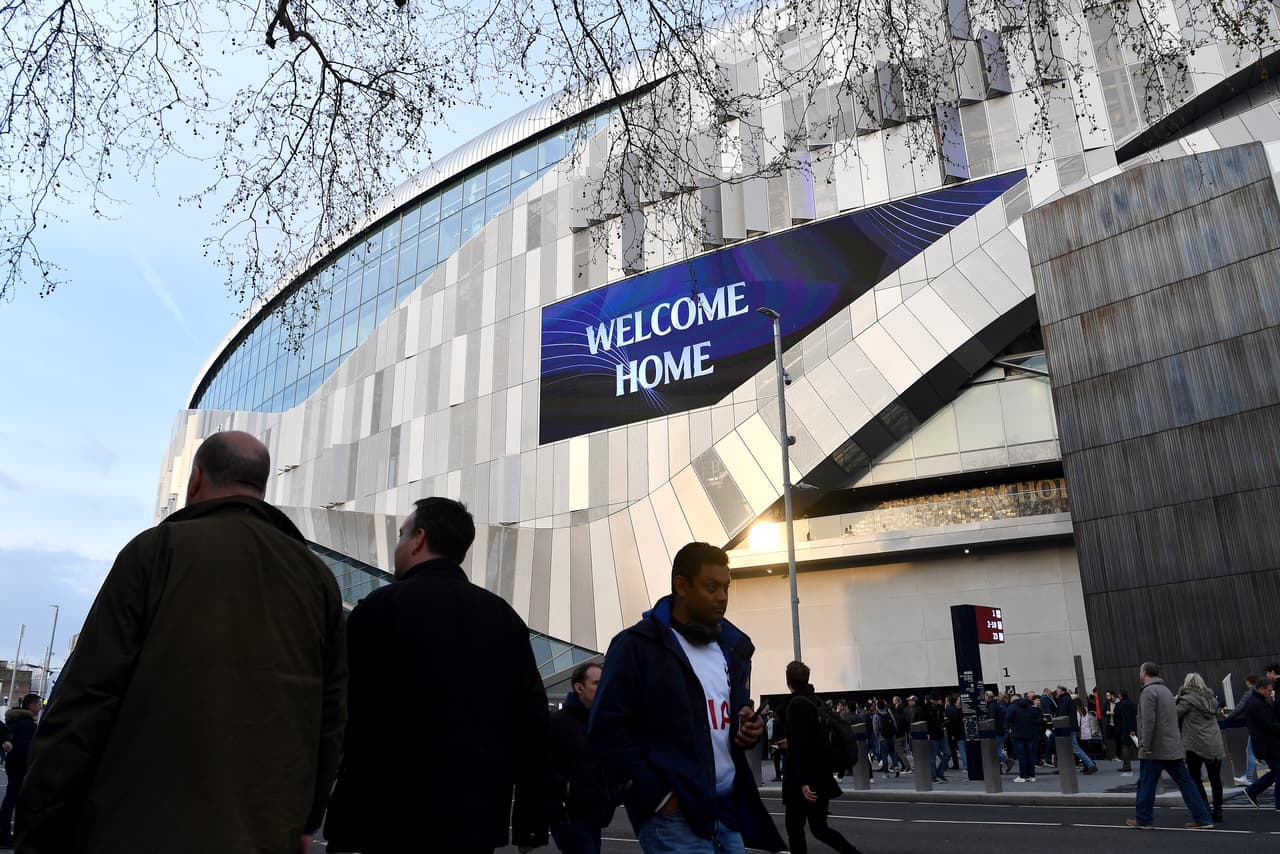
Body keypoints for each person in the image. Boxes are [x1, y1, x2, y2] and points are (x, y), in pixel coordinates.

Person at [15, 431, 347, 853]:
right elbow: (331, 716)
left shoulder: (155, 552)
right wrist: (307, 820)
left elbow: (86, 699)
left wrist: (40, 822)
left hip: (136, 827)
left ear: (195, 480)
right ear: (261, 489)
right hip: (264, 831)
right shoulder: (316, 578)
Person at [324, 497, 550, 853]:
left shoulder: (380, 610)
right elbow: (533, 726)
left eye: (402, 535)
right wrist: (530, 820)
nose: (398, 544)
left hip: (386, 815)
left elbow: (340, 710)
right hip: (473, 819)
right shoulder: (502, 618)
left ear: (418, 539)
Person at [589, 541, 783, 853]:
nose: (722, 597)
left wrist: (746, 729)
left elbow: (720, 724)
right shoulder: (637, 646)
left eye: (726, 588)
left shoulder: (729, 649)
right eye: (711, 587)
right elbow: (606, 730)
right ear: (682, 585)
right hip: (674, 818)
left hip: (726, 812)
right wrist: (659, 797)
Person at [780, 662, 862, 854]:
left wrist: (803, 782)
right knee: (819, 829)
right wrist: (790, 742)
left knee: (795, 828)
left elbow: (802, 746)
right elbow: (811, 739)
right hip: (820, 774)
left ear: (788, 682)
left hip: (803, 778)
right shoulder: (815, 701)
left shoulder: (796, 705)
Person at [1125, 661, 1215, 830]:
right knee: (1186, 783)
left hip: (1154, 749)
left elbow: (1148, 721)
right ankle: (1203, 818)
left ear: (1144, 674)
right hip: (1173, 747)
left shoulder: (1148, 691)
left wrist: (1145, 744)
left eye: (1140, 672)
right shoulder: (1166, 690)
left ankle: (1143, 819)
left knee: (1145, 784)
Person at [548, 661, 615, 854]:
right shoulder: (558, 723)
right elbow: (543, 768)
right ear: (579, 687)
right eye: (597, 683)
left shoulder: (600, 722)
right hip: (570, 817)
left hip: (596, 815)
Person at [1175, 672, 1226, 823]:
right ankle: (1218, 810)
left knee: (1194, 777)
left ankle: (1204, 806)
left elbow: (1173, 716)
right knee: (1215, 778)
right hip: (1214, 742)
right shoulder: (1211, 700)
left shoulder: (1186, 701)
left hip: (1194, 744)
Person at [0, 694, 41, 846]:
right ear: (31, 706)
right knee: (15, 800)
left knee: (11, 799)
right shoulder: (28, 725)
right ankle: (7, 834)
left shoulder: (15, 721)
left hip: (12, 765)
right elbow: (26, 748)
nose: (40, 707)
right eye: (38, 705)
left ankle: (5, 832)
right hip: (21, 767)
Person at [1241, 676, 1280, 810]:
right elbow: (1267, 725)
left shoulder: (1259, 701)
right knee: (1278, 771)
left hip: (1267, 744)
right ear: (1261, 689)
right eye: (1269, 690)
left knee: (1276, 771)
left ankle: (1253, 790)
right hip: (1268, 744)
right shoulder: (1256, 704)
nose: (1271, 693)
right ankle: (1277, 802)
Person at [1227, 674, 1259, 784]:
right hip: (1265, 725)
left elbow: (1240, 708)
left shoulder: (1249, 693)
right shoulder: (1263, 692)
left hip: (1256, 726)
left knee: (1250, 751)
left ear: (1249, 682)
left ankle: (1249, 777)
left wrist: (1228, 716)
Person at [1006, 692, 1041, 783]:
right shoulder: (1030, 706)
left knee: (1021, 755)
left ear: (1013, 700)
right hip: (1030, 733)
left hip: (1018, 734)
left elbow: (1008, 718)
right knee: (1030, 755)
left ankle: (1023, 776)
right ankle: (1031, 775)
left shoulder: (1012, 707)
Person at [1115, 689, 1138, 774]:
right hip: (1131, 728)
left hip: (1127, 729)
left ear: (1121, 695)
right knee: (1136, 745)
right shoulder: (1130, 702)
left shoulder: (1124, 704)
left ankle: (1127, 765)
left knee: (1126, 746)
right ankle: (1126, 765)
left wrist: (1131, 729)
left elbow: (1128, 717)